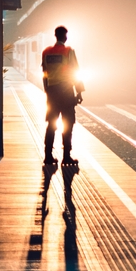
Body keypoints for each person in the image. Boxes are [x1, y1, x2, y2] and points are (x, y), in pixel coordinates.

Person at [41, 26, 84, 166]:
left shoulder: (46, 52)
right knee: (68, 123)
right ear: (65, 37)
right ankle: (66, 156)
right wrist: (79, 91)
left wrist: (47, 89)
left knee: (51, 124)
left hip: (52, 92)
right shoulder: (68, 52)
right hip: (66, 92)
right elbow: (75, 71)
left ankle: (48, 156)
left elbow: (45, 72)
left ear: (55, 36)